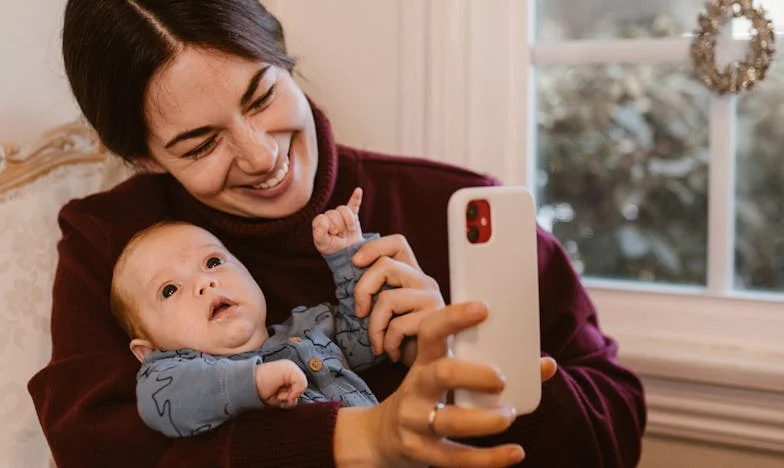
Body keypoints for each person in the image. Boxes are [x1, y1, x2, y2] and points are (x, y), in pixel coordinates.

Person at [29, 1, 646, 467]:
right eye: (201, 144)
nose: (260, 155)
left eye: (261, 97)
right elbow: (92, 448)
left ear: (282, 56)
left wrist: (475, 357)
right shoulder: (108, 241)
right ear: (145, 158)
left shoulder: (447, 205)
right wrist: (357, 438)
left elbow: (612, 432)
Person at [115, 189, 425, 437]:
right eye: (170, 290)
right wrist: (252, 382)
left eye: (213, 262)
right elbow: (162, 402)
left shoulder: (310, 328)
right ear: (148, 352)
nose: (204, 283)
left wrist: (348, 256)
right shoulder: (169, 377)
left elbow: (371, 338)